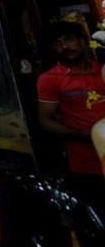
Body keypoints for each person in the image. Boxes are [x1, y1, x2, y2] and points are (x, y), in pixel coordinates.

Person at [37, 19, 105, 214]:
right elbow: (46, 120)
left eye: (68, 40)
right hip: (85, 165)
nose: (64, 47)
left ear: (83, 41)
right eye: (57, 43)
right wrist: (85, 134)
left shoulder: (102, 71)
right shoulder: (50, 79)